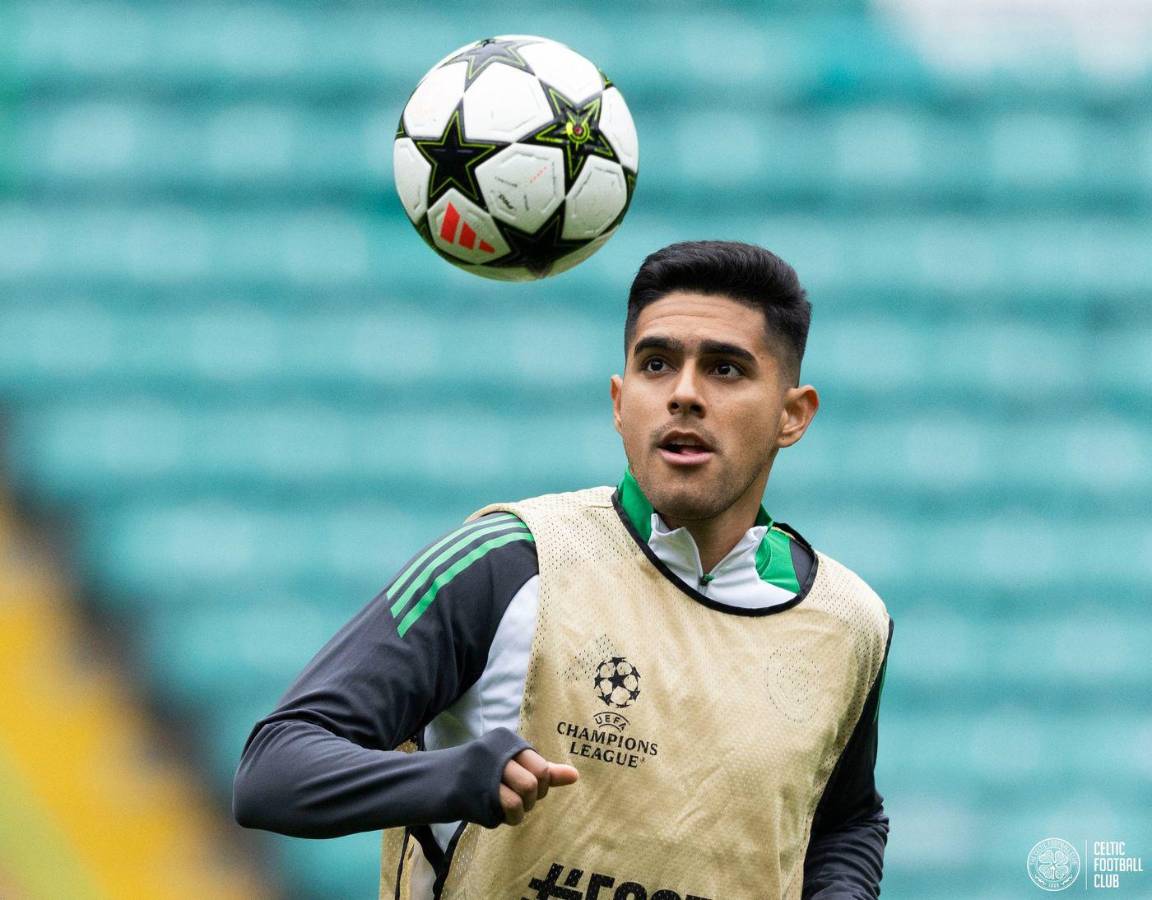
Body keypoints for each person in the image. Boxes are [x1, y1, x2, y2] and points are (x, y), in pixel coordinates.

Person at [233, 240, 894, 899]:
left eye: (725, 369)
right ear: (619, 400)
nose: (684, 395)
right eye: (657, 364)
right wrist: (454, 777)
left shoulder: (848, 623)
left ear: (792, 414)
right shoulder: (507, 563)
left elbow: (845, 820)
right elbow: (273, 770)